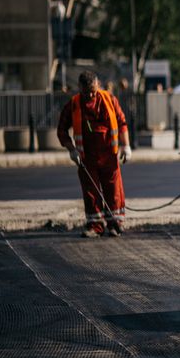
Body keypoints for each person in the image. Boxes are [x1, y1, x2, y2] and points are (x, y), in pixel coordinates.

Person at [57, 71, 132, 238]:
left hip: (109, 156)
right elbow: (61, 130)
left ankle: (115, 223)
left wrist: (126, 146)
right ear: (80, 88)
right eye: (87, 92)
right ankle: (95, 226)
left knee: (113, 191)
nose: (90, 95)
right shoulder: (74, 104)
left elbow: (122, 123)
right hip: (87, 157)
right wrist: (71, 149)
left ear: (98, 86)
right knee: (91, 192)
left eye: (93, 91)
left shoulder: (109, 100)